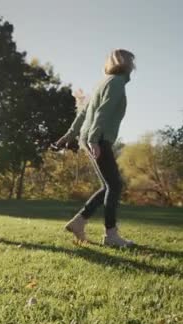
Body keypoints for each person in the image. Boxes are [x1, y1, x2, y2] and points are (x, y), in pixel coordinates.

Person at [55, 49, 136, 247]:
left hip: (90, 137)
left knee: (108, 186)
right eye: (132, 62)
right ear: (127, 63)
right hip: (98, 138)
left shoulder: (103, 82)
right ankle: (111, 235)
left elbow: (83, 113)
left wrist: (70, 134)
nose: (134, 66)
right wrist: (93, 139)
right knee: (114, 185)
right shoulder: (116, 82)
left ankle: (79, 222)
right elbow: (102, 111)